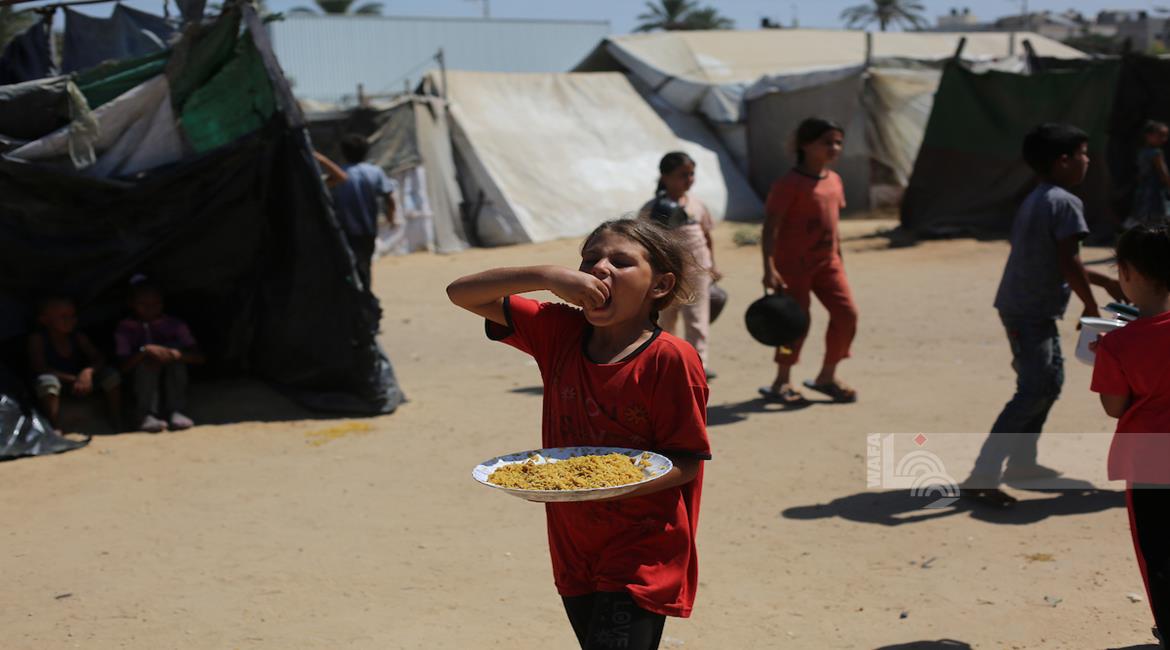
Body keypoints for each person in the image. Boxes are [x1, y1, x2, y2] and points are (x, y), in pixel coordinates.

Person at [447, 219, 711, 650]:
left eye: (621, 262)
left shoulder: (670, 359)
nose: (600, 269)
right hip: (573, 544)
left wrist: (606, 483)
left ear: (660, 285)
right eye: (590, 260)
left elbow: (684, 463)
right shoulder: (559, 331)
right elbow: (462, 293)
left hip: (642, 548)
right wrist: (546, 275)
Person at [962, 123, 1125, 507]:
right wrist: (1089, 305)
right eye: (1083, 154)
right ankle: (981, 475)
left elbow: (1060, 259)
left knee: (1047, 384)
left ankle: (1021, 463)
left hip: (1027, 307)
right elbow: (1069, 262)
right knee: (1034, 389)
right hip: (1029, 311)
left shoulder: (1039, 196)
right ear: (1063, 161)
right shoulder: (1065, 202)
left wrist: (1104, 283)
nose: (1088, 160)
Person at [1090, 225, 1170, 649]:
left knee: (1157, 552)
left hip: (1150, 461)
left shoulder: (1117, 344)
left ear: (1125, 272)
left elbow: (1114, 406)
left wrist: (1104, 356)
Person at [759, 117, 859, 405]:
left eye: (838, 142)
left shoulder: (835, 182)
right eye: (826, 142)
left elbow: (833, 226)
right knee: (794, 325)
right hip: (793, 268)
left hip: (828, 265)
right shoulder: (788, 184)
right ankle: (781, 381)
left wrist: (839, 259)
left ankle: (827, 376)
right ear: (806, 145)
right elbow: (770, 228)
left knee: (847, 314)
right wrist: (769, 267)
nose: (834, 147)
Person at [640, 151, 721, 379]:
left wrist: (712, 265)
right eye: (682, 175)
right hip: (665, 276)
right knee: (666, 319)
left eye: (691, 174)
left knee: (697, 320)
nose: (688, 179)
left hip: (697, 272)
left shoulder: (697, 205)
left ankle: (698, 365)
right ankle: (667, 362)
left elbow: (707, 236)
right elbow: (641, 244)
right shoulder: (651, 209)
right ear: (665, 177)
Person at [114, 277, 205, 433]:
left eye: (156, 304)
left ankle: (176, 411)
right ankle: (144, 414)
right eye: (144, 304)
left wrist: (175, 355)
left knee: (176, 361)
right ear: (131, 303)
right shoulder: (124, 329)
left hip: (172, 378)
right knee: (147, 362)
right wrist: (145, 352)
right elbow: (123, 367)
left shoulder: (175, 325)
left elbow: (200, 357)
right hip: (138, 382)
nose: (150, 309)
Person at [26, 297, 121, 432]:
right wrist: (74, 379)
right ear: (45, 320)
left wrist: (87, 372)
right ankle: (54, 427)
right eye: (63, 317)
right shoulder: (38, 339)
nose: (70, 320)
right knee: (47, 381)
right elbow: (39, 367)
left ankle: (116, 419)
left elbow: (98, 358)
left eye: (72, 316)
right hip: (63, 383)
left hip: (82, 383)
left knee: (111, 375)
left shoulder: (78, 337)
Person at [317, 135, 397, 290]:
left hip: (345, 229)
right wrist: (391, 217)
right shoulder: (375, 172)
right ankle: (365, 294)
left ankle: (358, 296)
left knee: (349, 265)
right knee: (365, 263)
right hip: (368, 228)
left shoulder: (339, 174)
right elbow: (389, 198)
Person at [1129, 120, 1170, 228]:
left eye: (1165, 136)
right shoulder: (1157, 153)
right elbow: (1163, 174)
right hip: (1156, 193)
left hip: (1144, 191)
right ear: (1148, 136)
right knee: (1159, 220)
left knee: (1146, 219)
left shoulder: (1141, 152)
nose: (1164, 139)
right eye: (1160, 135)